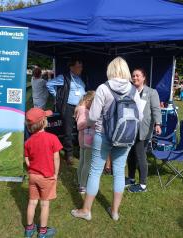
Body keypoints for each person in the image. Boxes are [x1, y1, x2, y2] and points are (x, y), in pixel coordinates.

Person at [71, 57, 143, 221]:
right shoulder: (133, 90)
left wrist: (87, 123)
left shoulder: (103, 88)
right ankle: (115, 211)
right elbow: (140, 115)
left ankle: (86, 210)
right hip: (126, 137)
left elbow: (94, 116)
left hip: (103, 135)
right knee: (119, 172)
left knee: (95, 172)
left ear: (110, 70)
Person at [24, 108, 63, 238]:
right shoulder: (52, 138)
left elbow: (26, 159)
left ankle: (29, 229)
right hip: (47, 176)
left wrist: (32, 166)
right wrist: (56, 174)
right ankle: (43, 232)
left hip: (33, 176)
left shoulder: (28, 142)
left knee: (32, 202)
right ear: (44, 122)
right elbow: (56, 158)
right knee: (44, 204)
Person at [125, 68, 162, 193]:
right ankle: (131, 178)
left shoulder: (151, 92)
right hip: (130, 128)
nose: (135, 78)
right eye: (133, 76)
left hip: (143, 129)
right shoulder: (130, 91)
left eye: (138, 76)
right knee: (130, 154)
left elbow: (156, 109)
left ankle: (142, 185)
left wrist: (158, 124)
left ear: (144, 78)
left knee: (140, 155)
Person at [46, 58, 86, 165]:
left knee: (81, 129)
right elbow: (49, 84)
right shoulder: (63, 77)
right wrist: (58, 97)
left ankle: (80, 151)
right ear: (71, 67)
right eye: (78, 66)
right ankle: (69, 155)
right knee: (68, 131)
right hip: (68, 107)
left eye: (81, 67)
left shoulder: (80, 79)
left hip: (80, 107)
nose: (80, 69)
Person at [74, 91, 95, 194]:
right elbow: (80, 126)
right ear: (88, 101)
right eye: (93, 103)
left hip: (83, 138)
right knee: (87, 162)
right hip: (87, 138)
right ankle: (83, 185)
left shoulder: (81, 109)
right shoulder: (84, 110)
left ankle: (80, 181)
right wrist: (92, 123)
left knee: (82, 161)